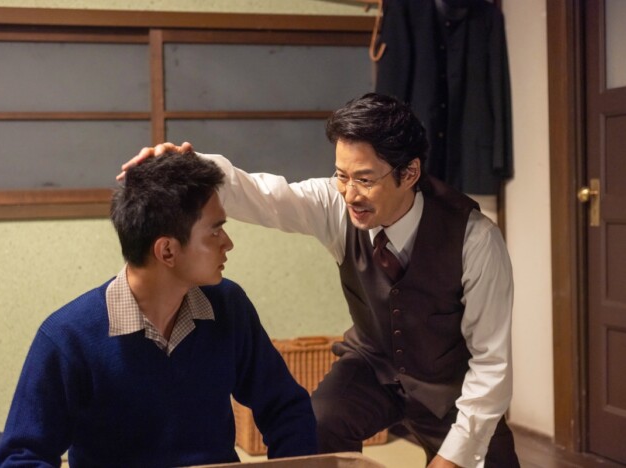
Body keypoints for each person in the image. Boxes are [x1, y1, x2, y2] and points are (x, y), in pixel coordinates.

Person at [121, 93, 519, 468]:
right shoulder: (336, 203)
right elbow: (262, 195)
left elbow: (491, 364)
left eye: (365, 179)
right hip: (372, 366)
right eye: (342, 175)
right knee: (316, 424)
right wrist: (188, 165)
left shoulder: (475, 239)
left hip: (451, 387)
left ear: (410, 172)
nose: (350, 194)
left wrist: (453, 457)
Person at [0, 152, 317, 468]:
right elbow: (22, 457)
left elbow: (286, 409)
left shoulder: (227, 306)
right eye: (215, 230)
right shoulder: (68, 338)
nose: (228, 242)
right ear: (167, 251)